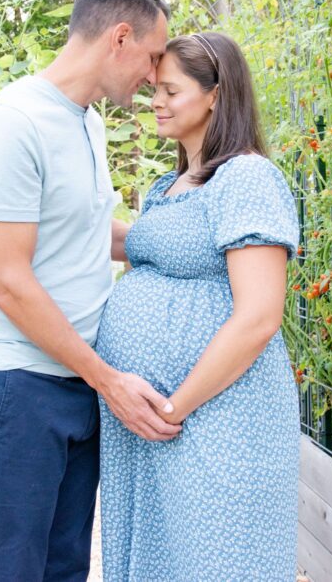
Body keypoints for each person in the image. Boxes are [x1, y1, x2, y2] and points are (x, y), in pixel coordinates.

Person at [0, 0, 181, 581]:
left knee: (65, 566)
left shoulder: (88, 121)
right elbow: (7, 282)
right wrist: (109, 381)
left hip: (80, 380)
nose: (156, 76)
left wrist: (189, 244)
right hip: (21, 388)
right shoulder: (14, 122)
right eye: (154, 56)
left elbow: (87, 234)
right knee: (15, 568)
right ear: (120, 37)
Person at [95, 32, 301, 580]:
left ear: (216, 94)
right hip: (154, 423)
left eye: (170, 91)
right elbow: (136, 243)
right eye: (154, 90)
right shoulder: (173, 184)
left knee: (215, 558)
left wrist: (172, 407)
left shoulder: (247, 177)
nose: (155, 102)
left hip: (214, 417)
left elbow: (259, 316)